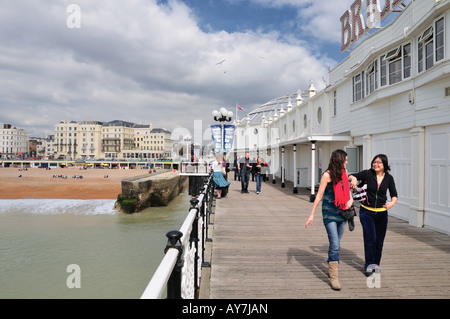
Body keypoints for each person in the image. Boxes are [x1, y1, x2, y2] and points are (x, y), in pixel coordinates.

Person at [305, 149, 353, 290]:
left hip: (342, 212)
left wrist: (350, 199)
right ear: (339, 160)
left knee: (336, 243)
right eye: (345, 159)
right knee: (335, 243)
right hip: (329, 213)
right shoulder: (327, 175)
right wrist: (312, 214)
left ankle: (331, 263)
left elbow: (348, 190)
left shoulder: (344, 172)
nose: (347, 162)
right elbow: (319, 196)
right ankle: (334, 277)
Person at [348, 154, 398, 276]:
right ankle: (369, 265)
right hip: (366, 212)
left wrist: (392, 203)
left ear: (384, 165)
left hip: (382, 214)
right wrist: (354, 179)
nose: (375, 164)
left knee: (379, 241)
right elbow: (350, 176)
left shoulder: (389, 178)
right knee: (370, 239)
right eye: (374, 162)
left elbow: (394, 194)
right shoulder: (367, 173)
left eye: (378, 162)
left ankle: (376, 264)